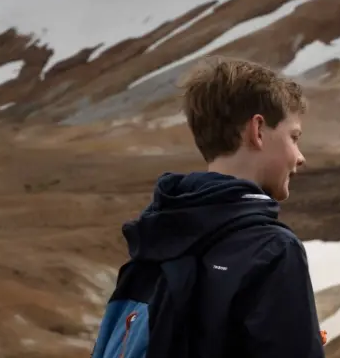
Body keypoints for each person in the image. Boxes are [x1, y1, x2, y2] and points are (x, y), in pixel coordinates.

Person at [89, 56, 325, 358]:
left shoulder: (157, 234)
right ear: (258, 130)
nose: (300, 156)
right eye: (294, 137)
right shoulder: (272, 249)